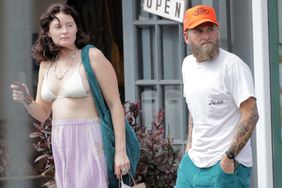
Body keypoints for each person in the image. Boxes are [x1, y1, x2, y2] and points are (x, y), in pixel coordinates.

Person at [10, 3, 130, 188]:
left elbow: (115, 105)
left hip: (91, 137)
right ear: (48, 32)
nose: (65, 30)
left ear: (76, 28)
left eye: (69, 25)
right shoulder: (46, 65)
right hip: (61, 139)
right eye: (58, 26)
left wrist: (120, 152)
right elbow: (43, 113)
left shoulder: (92, 56)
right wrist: (26, 100)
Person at [175, 5, 259, 188]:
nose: (206, 36)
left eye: (210, 29)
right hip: (193, 163)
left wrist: (229, 157)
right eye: (199, 31)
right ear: (186, 37)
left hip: (226, 167)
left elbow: (251, 115)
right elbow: (195, 110)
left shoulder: (232, 66)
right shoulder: (187, 66)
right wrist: (189, 148)